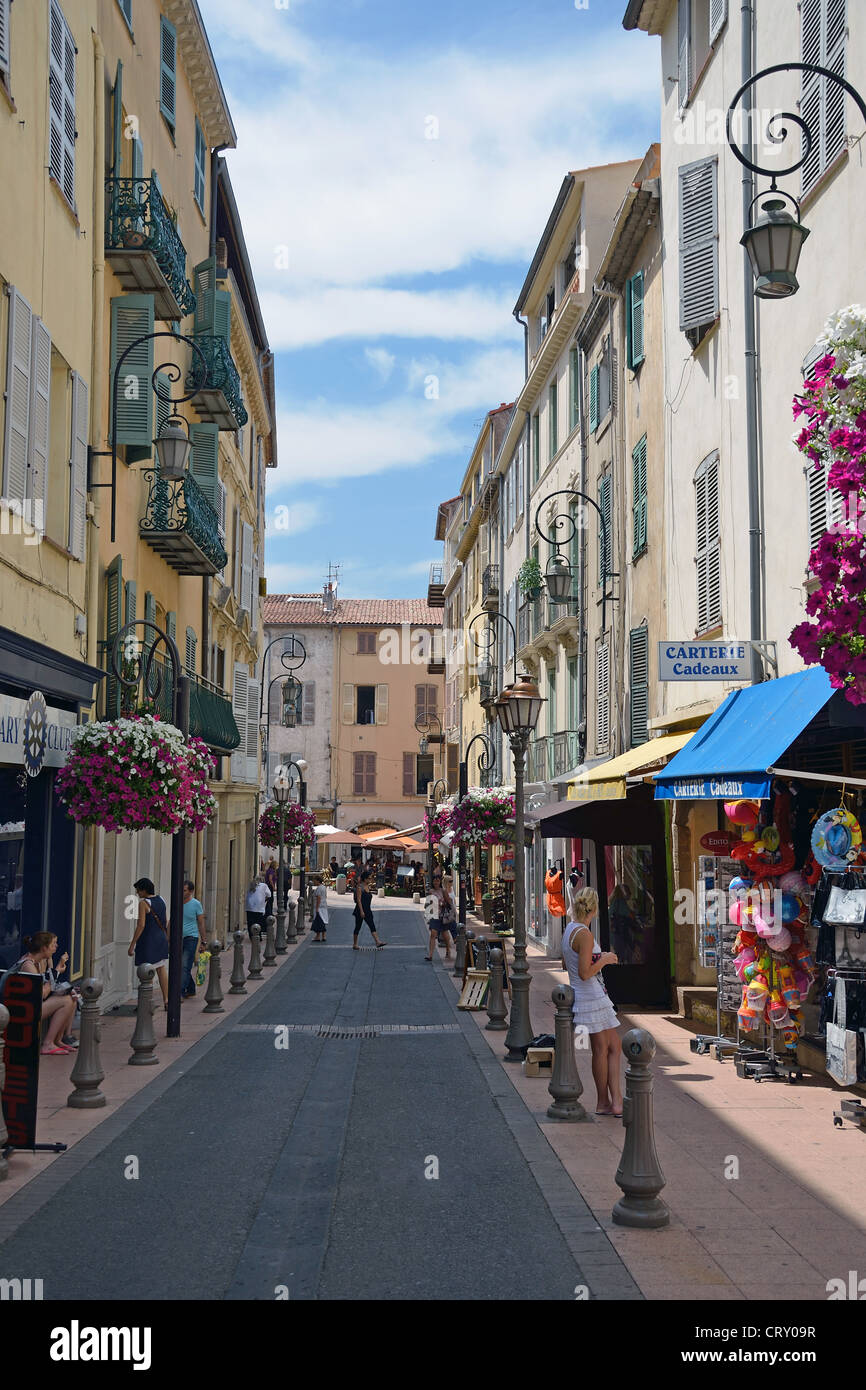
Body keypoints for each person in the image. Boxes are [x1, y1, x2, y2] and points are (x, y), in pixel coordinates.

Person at [561, 886, 622, 1117]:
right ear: (594, 909)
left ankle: (608, 1101)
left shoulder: (570, 930)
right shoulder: (585, 934)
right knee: (606, 1048)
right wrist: (604, 959)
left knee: (608, 1047)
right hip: (591, 996)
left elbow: (568, 964)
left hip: (585, 995)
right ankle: (609, 1101)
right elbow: (586, 972)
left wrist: (595, 957)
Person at [12, 933, 78, 1055]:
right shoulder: (28, 965)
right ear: (44, 948)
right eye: (53, 944)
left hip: (35, 1004)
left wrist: (53, 966)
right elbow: (41, 993)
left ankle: (57, 1040)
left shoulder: (40, 961)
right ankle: (48, 1044)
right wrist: (57, 970)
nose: (56, 946)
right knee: (66, 1001)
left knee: (72, 997)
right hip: (25, 1010)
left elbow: (50, 983)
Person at [129, 878, 170, 1008]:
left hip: (148, 941)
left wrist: (132, 944)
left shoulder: (144, 903)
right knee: (161, 968)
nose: (137, 892)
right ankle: (166, 1000)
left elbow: (141, 925)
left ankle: (147, 1002)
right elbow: (166, 920)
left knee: (147, 972)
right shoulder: (161, 900)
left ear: (144, 890)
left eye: (138, 890)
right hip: (160, 939)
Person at [175, 879, 207, 999]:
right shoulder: (177, 902)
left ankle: (180, 992)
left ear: (191, 891)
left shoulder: (196, 904)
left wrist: (203, 941)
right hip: (178, 938)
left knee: (184, 965)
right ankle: (191, 988)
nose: (182, 893)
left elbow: (201, 923)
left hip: (191, 938)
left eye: (184, 891)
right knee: (181, 965)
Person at [424, 869, 455, 961]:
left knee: (445, 935)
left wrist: (444, 903)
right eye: (434, 881)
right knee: (433, 934)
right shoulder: (431, 891)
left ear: (440, 882)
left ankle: (448, 950)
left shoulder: (443, 891)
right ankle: (430, 955)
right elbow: (428, 904)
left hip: (443, 916)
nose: (436, 882)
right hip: (434, 915)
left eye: (437, 881)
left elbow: (449, 902)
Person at [352, 868, 386, 949]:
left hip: (367, 909)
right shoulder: (360, 887)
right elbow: (359, 900)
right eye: (369, 878)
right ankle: (355, 944)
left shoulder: (367, 886)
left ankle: (378, 942)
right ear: (365, 878)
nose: (371, 879)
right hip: (360, 910)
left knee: (372, 925)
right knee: (358, 926)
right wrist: (361, 911)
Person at [310, 873, 329, 942]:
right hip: (324, 905)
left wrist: (317, 908)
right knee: (323, 921)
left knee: (318, 922)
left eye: (315, 880)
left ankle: (318, 936)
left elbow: (318, 898)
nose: (314, 882)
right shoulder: (323, 887)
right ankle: (323, 936)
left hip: (319, 907)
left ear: (318, 881)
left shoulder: (318, 888)